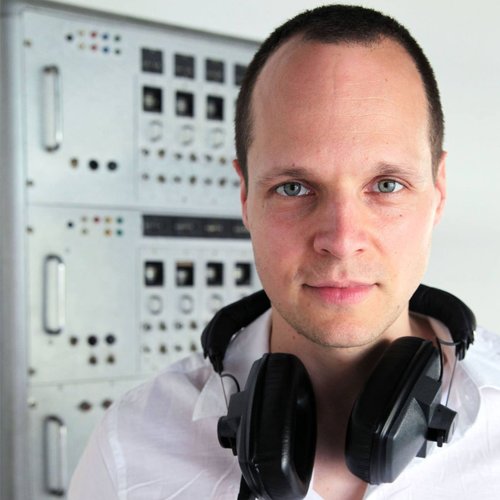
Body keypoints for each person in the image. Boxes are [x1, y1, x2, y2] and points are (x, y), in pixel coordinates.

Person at [69, 5, 500, 499]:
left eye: (386, 185)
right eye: (294, 188)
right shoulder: (130, 448)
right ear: (245, 196)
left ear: (438, 192)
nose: (341, 240)